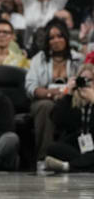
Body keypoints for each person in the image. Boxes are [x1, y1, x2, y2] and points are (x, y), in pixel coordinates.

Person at [25, 18, 83, 167]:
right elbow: (31, 87)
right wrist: (53, 94)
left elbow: (83, 83)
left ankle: (74, 156)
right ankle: (43, 157)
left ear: (66, 37)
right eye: (51, 38)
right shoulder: (39, 59)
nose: (56, 40)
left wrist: (65, 94)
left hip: (72, 100)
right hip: (44, 101)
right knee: (46, 106)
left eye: (59, 36)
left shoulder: (78, 59)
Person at [45, 63, 94, 172]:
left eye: (90, 80)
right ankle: (83, 166)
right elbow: (57, 119)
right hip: (77, 147)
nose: (85, 83)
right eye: (82, 79)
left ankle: (68, 166)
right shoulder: (72, 101)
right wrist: (68, 93)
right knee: (52, 148)